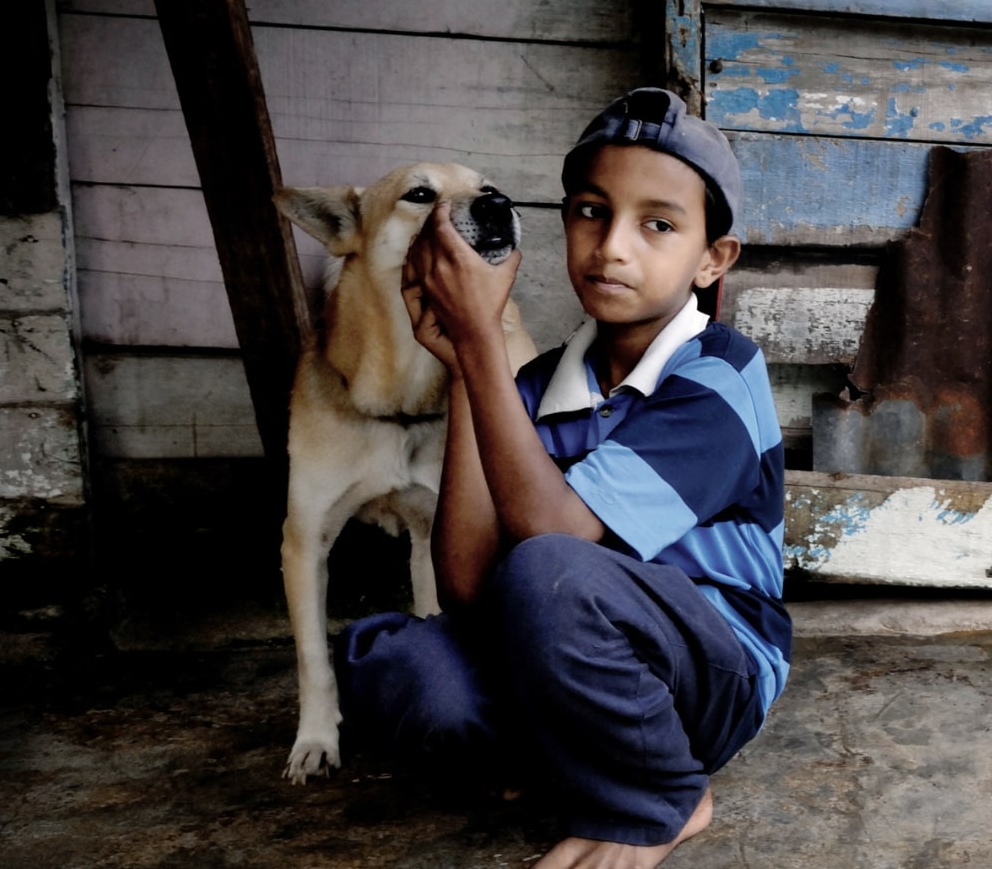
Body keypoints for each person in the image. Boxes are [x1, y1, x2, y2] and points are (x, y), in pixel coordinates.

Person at [337, 87, 790, 869]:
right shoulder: (535, 383)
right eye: (590, 210)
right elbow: (471, 585)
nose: (613, 245)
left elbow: (555, 542)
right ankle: (576, 754)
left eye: (659, 224)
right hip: (567, 654)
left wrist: (482, 338)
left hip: (712, 671)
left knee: (551, 569)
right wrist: (462, 364)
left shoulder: (721, 377)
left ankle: (662, 792)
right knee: (401, 672)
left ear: (712, 259)